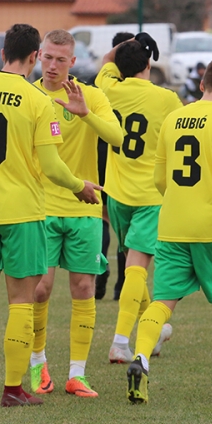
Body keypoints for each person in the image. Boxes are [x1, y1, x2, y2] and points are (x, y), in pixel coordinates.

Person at [0, 24, 101, 407]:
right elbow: (52, 166)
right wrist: (80, 186)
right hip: (23, 213)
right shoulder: (36, 101)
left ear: (1, 54)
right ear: (33, 58)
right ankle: (13, 389)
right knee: (21, 301)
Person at [126, 58, 212, 403]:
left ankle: (140, 359)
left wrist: (177, 203)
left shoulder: (173, 119)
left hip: (171, 224)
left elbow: (158, 178)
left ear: (201, 85)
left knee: (162, 301)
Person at [29, 29, 122, 398]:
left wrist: (85, 115)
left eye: (60, 60)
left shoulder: (91, 96)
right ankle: (39, 365)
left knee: (84, 287)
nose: (52, 66)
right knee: (40, 288)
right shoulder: (29, 95)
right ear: (38, 56)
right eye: (47, 58)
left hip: (85, 207)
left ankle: (77, 374)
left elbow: (117, 138)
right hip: (40, 206)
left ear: (73, 62)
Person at [96, 35, 182, 364]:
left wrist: (129, 43)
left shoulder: (108, 87)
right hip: (151, 196)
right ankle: (120, 342)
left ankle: (154, 328)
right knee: (136, 270)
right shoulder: (167, 99)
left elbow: (107, 60)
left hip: (116, 194)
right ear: (149, 65)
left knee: (134, 265)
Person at [95, 31, 134, 301]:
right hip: (129, 164)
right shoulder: (142, 89)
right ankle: (123, 284)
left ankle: (99, 277)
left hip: (101, 157)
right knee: (126, 231)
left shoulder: (104, 85)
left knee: (102, 222)